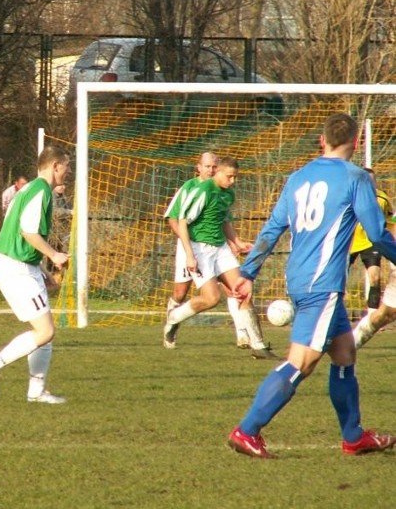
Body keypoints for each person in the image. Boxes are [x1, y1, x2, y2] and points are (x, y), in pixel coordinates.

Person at [228, 113, 396, 459]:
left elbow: (273, 228)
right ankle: (247, 430)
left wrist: (248, 273)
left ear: (322, 141)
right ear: (354, 143)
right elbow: (377, 233)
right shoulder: (356, 178)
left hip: (300, 278)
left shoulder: (297, 178)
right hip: (322, 285)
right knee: (301, 362)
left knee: (345, 353)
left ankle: (353, 436)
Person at [0, 145, 71, 404]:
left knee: (46, 327)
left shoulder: (28, 189)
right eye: (67, 165)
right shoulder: (41, 191)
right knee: (44, 331)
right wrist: (54, 256)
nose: (69, 171)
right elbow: (29, 232)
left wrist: (40, 269)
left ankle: (37, 391)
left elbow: (17, 229)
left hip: (21, 265)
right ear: (55, 166)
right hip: (14, 267)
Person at [162, 156, 273, 358]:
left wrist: (237, 242)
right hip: (199, 248)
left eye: (235, 177)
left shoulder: (228, 194)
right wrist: (189, 255)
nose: (233, 181)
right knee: (211, 298)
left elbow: (224, 221)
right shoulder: (201, 191)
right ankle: (174, 317)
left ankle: (258, 346)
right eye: (230, 177)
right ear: (218, 173)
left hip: (220, 248)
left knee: (242, 290)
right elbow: (182, 222)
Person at [348, 168, 392, 314]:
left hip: (370, 243)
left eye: (372, 181)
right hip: (350, 243)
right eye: (367, 180)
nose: (370, 184)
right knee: (338, 279)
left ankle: (371, 317)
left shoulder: (383, 199)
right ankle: (333, 312)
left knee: (375, 277)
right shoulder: (350, 197)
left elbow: (390, 219)